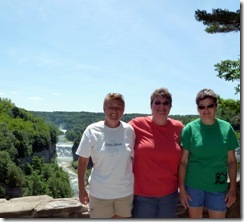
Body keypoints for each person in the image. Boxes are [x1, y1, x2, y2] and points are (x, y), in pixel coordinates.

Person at [178, 88, 239, 218]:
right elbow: (183, 161)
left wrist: (233, 188)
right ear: (198, 109)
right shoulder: (189, 129)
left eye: (210, 105)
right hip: (194, 186)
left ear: (216, 106)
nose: (206, 110)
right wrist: (182, 189)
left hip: (218, 187)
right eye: (202, 107)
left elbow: (232, 161)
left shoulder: (226, 128)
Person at [75, 93, 135, 218]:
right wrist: (81, 189)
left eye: (118, 107)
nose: (114, 110)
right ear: (104, 109)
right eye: (110, 106)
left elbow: (134, 159)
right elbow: (82, 162)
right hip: (100, 193)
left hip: (125, 192)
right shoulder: (92, 130)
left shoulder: (129, 131)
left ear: (123, 110)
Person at [129, 87, 184, 218]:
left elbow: (186, 160)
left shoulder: (179, 128)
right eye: (157, 102)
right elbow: (117, 137)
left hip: (169, 195)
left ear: (170, 106)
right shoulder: (137, 124)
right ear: (151, 105)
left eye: (165, 103)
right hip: (142, 195)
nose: (161, 106)